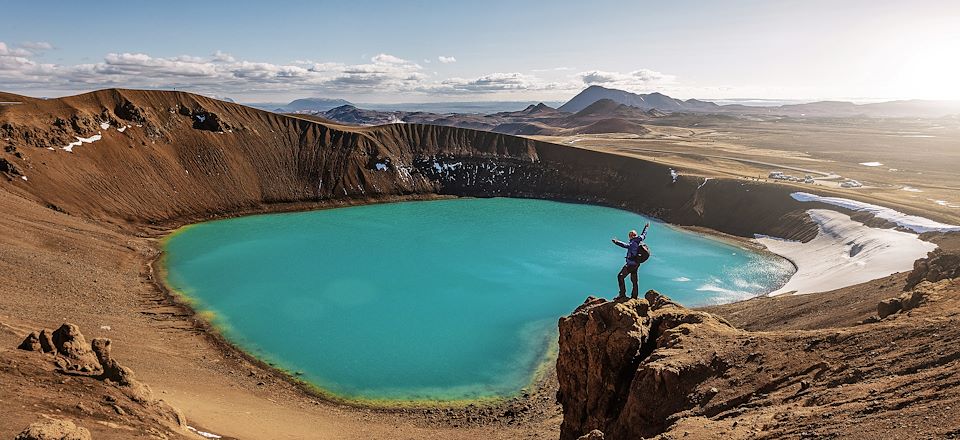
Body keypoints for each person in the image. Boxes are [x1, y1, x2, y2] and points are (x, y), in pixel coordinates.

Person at [611, 222, 651, 299]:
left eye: (629, 235)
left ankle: (622, 294)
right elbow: (644, 234)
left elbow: (625, 245)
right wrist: (646, 227)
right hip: (636, 263)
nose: (629, 237)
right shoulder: (640, 239)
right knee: (634, 281)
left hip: (631, 264)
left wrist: (616, 242)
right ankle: (634, 296)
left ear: (631, 236)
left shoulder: (633, 243)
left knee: (620, 276)